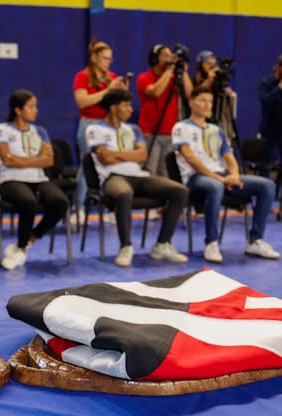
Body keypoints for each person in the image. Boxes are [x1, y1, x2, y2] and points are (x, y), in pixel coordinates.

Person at [173, 87, 280, 263]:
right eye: (202, 100)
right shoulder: (180, 127)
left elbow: (229, 157)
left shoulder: (216, 130)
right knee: (215, 187)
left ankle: (255, 240)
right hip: (197, 179)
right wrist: (219, 179)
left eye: (210, 101)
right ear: (191, 102)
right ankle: (212, 243)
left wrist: (234, 176)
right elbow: (191, 159)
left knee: (267, 185)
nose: (207, 105)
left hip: (222, 176)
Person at [86, 89, 188, 267]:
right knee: (124, 194)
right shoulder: (94, 129)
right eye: (126, 105)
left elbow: (143, 155)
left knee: (179, 191)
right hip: (113, 177)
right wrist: (129, 154)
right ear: (113, 108)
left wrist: (117, 154)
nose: (131, 109)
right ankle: (126, 247)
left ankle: (162, 244)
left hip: (139, 175)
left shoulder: (133, 129)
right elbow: (105, 158)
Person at [0, 89, 69, 271]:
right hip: (10, 179)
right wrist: (36, 160)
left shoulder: (40, 131)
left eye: (36, 106)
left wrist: (20, 160)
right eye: (31, 107)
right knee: (28, 201)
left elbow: (49, 160)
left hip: (38, 178)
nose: (36, 110)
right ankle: (21, 245)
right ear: (18, 110)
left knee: (61, 202)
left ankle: (26, 243)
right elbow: (6, 159)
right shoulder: (2, 129)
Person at [73, 41, 128, 212]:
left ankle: (112, 208)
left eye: (110, 59)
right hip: (89, 123)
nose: (108, 63)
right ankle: (79, 208)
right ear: (94, 58)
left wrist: (122, 91)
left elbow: (118, 105)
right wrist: (108, 91)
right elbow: (82, 102)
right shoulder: (82, 77)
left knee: (112, 165)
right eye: (105, 58)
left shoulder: (111, 76)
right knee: (86, 165)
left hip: (108, 125)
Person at [137, 44, 194, 178]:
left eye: (171, 55)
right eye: (165, 56)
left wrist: (183, 71)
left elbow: (191, 95)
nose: (170, 58)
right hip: (150, 132)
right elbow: (155, 92)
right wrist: (169, 71)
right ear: (155, 59)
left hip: (170, 133)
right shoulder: (144, 77)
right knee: (150, 170)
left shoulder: (174, 79)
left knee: (165, 172)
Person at [257, 54, 282, 179]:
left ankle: (281, 192)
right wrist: (280, 87)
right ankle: (263, 188)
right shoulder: (266, 82)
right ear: (278, 67)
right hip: (269, 129)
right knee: (265, 164)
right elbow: (266, 101)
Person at [193, 50, 237, 140]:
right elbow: (195, 95)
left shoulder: (217, 84)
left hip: (215, 124)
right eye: (208, 64)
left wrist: (229, 98)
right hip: (198, 125)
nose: (212, 67)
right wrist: (209, 79)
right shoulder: (193, 81)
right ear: (200, 65)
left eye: (214, 65)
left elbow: (227, 112)